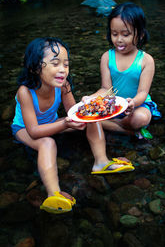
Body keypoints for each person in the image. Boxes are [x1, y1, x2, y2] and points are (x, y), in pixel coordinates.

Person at [11, 37, 134, 214]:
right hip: (25, 129)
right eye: (55, 63)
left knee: (90, 117)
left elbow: (75, 113)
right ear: (35, 67)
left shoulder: (63, 85)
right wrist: (65, 124)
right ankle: (53, 194)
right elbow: (35, 131)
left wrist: (94, 113)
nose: (63, 70)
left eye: (66, 64)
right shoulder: (25, 92)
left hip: (53, 123)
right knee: (47, 143)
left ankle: (101, 162)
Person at [83, 2, 161, 137]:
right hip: (114, 106)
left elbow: (143, 92)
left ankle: (111, 124)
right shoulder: (107, 57)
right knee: (84, 111)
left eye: (125, 34)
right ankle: (127, 131)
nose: (119, 39)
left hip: (138, 106)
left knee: (139, 118)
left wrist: (132, 102)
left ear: (141, 34)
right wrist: (91, 98)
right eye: (114, 34)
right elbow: (106, 89)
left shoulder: (146, 60)